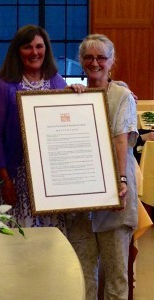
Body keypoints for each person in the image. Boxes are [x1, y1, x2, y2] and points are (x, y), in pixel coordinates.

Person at [0, 24, 83, 230]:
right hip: (15, 177)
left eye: (39, 46)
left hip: (49, 181)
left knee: (50, 242)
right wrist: (5, 180)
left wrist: (77, 93)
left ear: (46, 49)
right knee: (19, 242)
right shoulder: (4, 85)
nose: (34, 52)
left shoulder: (57, 82)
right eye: (27, 47)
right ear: (17, 51)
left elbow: (67, 126)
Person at [65, 34, 138, 300]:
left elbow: (121, 141)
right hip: (81, 202)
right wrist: (70, 100)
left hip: (115, 196)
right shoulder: (73, 95)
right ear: (81, 61)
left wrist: (120, 181)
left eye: (101, 57)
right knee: (82, 273)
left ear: (111, 61)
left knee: (116, 276)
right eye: (88, 57)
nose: (94, 62)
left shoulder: (122, 96)